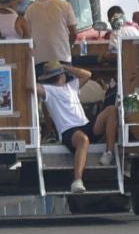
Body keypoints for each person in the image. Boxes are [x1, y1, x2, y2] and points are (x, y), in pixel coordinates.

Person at [39, 61, 101, 193]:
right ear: (61, 76)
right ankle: (77, 180)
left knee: (111, 111)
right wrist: (66, 68)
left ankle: (109, 152)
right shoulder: (48, 90)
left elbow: (87, 74)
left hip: (85, 125)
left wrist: (66, 68)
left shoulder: (71, 86)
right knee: (83, 140)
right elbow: (30, 86)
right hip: (69, 131)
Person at [23, 0, 78, 66]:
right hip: (61, 56)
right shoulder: (65, 5)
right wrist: (68, 45)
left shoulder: (30, 8)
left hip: (39, 58)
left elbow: (25, 33)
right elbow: (74, 33)